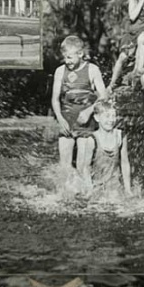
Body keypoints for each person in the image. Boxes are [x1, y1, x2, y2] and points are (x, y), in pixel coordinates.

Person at [52, 35, 107, 185]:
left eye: (70, 57)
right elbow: (55, 99)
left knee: (84, 166)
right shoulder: (60, 71)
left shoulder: (92, 69)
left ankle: (87, 197)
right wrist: (60, 118)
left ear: (80, 54)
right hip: (67, 120)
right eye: (65, 58)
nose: (67, 61)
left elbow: (103, 95)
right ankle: (67, 197)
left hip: (86, 123)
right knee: (65, 166)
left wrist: (89, 111)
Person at [90, 100, 132, 196]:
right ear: (97, 118)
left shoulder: (120, 136)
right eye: (107, 116)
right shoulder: (92, 138)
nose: (111, 120)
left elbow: (125, 162)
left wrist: (128, 189)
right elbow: (85, 167)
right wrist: (89, 189)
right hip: (96, 185)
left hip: (114, 185)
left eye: (113, 116)